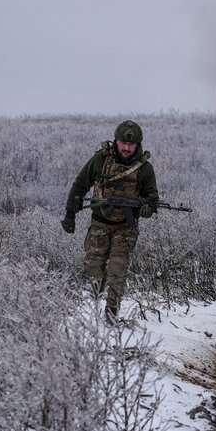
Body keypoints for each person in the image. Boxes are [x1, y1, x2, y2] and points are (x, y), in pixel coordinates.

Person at [62, 120, 159, 325]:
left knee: (118, 270)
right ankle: (94, 303)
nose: (126, 148)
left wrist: (146, 208)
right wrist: (70, 214)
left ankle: (111, 315)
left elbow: (152, 198)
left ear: (137, 145)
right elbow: (80, 185)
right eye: (122, 143)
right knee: (93, 269)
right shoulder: (100, 160)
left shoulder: (144, 169)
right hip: (99, 223)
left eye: (130, 145)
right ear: (116, 141)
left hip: (126, 227)